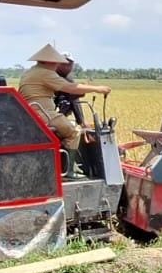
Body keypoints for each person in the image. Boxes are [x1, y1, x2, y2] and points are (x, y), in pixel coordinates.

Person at [18, 43, 111, 177]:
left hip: (32, 114)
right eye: (56, 63)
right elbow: (70, 88)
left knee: (65, 129)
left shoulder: (30, 72)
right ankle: (69, 171)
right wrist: (98, 89)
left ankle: (63, 164)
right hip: (43, 114)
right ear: (49, 62)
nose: (57, 66)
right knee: (74, 131)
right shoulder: (45, 73)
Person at [53, 52, 87, 127]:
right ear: (58, 64)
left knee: (72, 99)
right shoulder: (52, 75)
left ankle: (81, 122)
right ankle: (82, 123)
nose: (67, 67)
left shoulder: (68, 78)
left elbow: (73, 92)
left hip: (59, 102)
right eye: (65, 64)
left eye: (70, 64)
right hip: (47, 102)